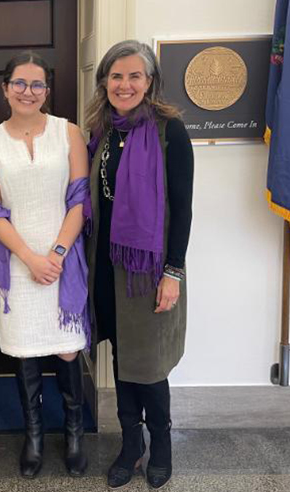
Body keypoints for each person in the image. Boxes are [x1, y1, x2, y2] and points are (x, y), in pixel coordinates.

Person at [84, 40, 194, 490]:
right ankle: (131, 447)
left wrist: (174, 272)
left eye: (134, 76)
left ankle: (161, 446)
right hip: (108, 268)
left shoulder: (169, 132)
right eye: (116, 76)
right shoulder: (100, 131)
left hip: (149, 271)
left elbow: (183, 209)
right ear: (104, 82)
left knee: (149, 366)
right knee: (123, 359)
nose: (124, 84)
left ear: (149, 82)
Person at [0, 51, 91, 478]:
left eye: (37, 84)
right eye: (19, 84)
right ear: (5, 89)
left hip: (64, 260)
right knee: (25, 352)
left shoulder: (68, 133)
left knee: (67, 349)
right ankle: (35, 435)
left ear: (48, 90)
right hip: (17, 263)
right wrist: (29, 258)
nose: (28, 92)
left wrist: (56, 255)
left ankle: (75, 432)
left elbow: (80, 199)